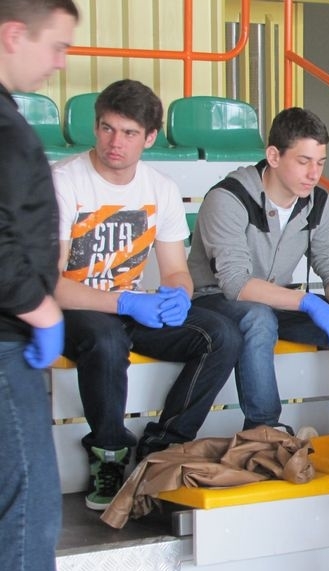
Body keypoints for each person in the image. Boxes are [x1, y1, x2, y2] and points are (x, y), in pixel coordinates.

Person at [52, 79, 242, 510]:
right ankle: (109, 453)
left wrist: (178, 294)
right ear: (96, 127)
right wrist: (124, 302)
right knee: (106, 338)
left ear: (150, 137)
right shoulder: (63, 182)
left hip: (129, 306)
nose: (115, 142)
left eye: (129, 133)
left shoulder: (160, 188)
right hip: (75, 308)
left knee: (223, 335)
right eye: (107, 128)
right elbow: (51, 283)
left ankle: (162, 447)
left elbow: (176, 270)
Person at [187, 107, 329, 431]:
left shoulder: (317, 202)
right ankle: (265, 431)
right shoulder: (227, 198)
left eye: (320, 163)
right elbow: (236, 283)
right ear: (274, 156)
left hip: (276, 301)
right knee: (258, 318)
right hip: (216, 302)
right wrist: (308, 302)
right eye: (304, 161)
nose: (314, 174)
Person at [0, 2, 82, 571]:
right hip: (6, 347)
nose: (61, 62)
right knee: (27, 522)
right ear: (12, 35)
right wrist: (42, 308)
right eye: (56, 46)